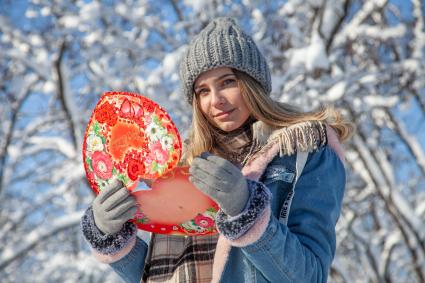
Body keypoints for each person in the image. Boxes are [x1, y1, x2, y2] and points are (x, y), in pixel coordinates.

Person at [81, 17, 353, 283]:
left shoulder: (303, 149)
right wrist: (110, 235)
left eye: (227, 82)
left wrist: (245, 209)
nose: (217, 100)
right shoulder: (180, 167)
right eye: (203, 91)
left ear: (252, 83)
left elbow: (310, 275)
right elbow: (160, 271)